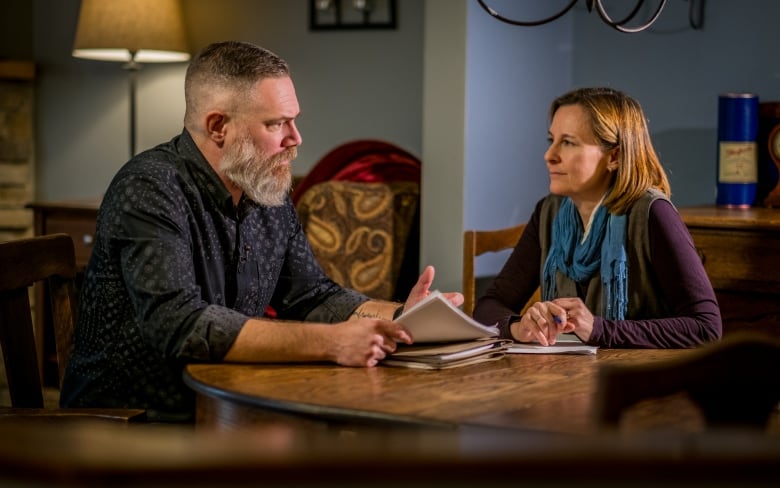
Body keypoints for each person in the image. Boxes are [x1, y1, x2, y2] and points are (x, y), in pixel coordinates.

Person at [60, 41, 462, 422]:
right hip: (134, 421)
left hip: (222, 403)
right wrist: (333, 342)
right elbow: (180, 325)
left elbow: (310, 295)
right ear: (218, 126)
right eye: (277, 124)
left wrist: (402, 316)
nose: (295, 139)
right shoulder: (150, 187)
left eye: (294, 122)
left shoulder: (262, 185)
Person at [472, 87, 722, 349]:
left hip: (640, 381)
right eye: (551, 140)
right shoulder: (549, 212)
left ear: (613, 156)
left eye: (568, 142)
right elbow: (490, 307)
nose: (550, 155)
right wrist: (518, 327)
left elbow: (705, 327)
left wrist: (599, 329)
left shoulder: (653, 213)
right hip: (567, 379)